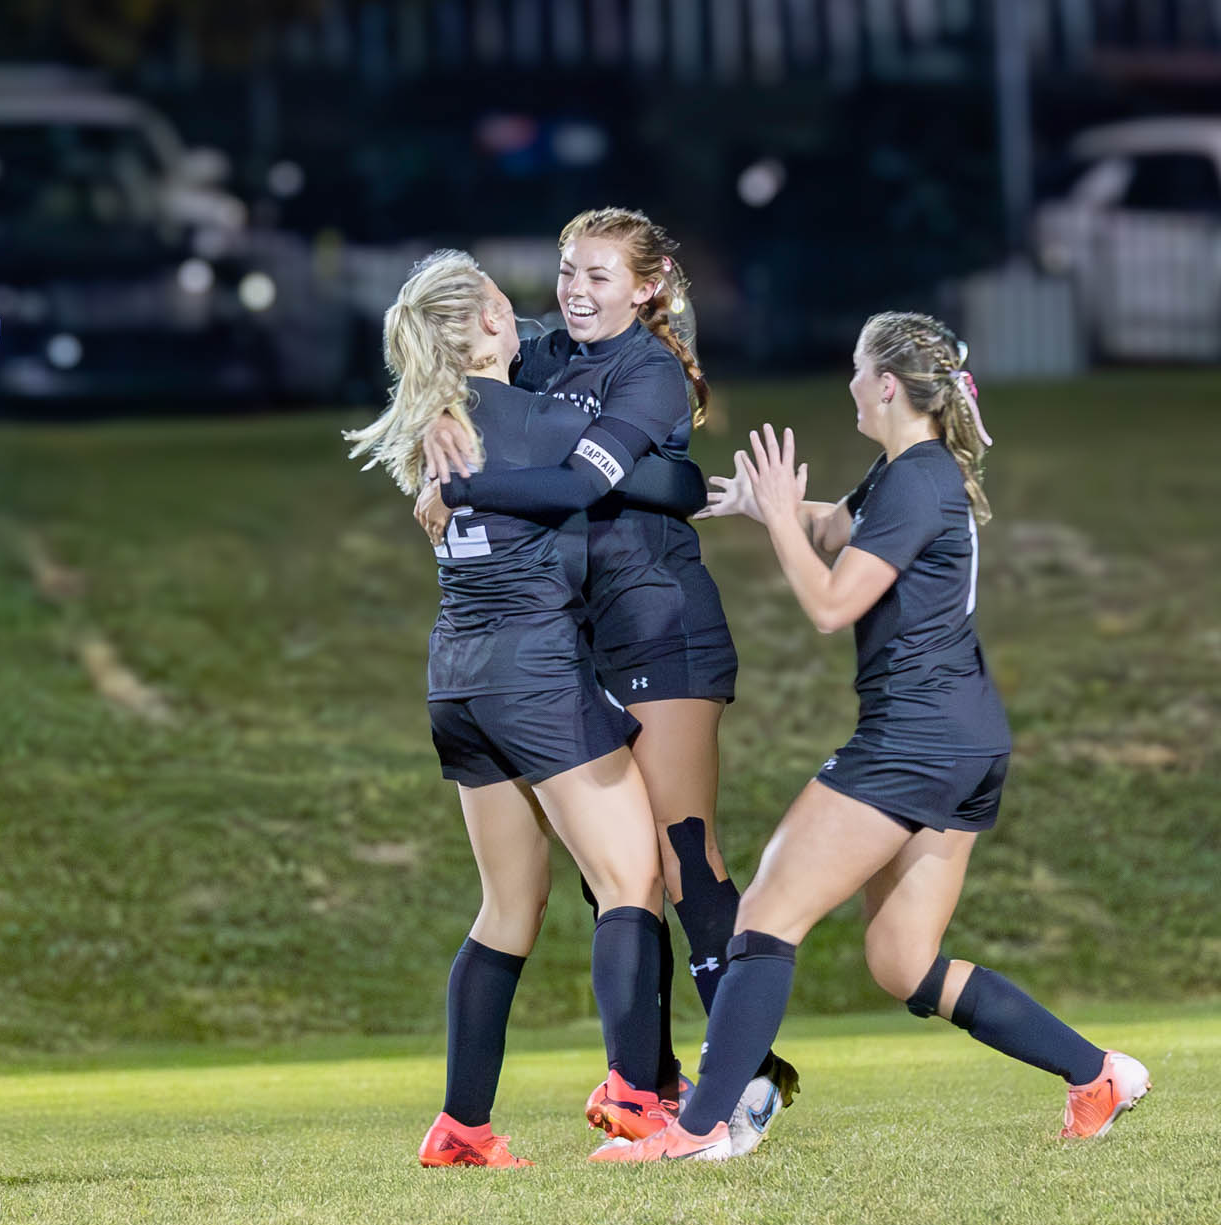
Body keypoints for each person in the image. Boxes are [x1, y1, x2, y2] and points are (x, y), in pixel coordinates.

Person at [596, 312, 1150, 1163]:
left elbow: (830, 605)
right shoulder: (908, 475)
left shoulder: (918, 478)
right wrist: (763, 506)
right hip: (964, 741)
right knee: (903, 963)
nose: (849, 384)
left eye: (858, 370)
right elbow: (839, 529)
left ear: (886, 384)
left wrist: (782, 517)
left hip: (915, 740)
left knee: (766, 918)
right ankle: (1098, 1074)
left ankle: (700, 1130)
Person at [415, 208, 797, 1152]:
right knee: (612, 877)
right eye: (566, 272)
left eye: (597, 275)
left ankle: (739, 1074)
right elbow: (475, 374)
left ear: (648, 287)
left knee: (677, 855)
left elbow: (626, 482)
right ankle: (654, 1079)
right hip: (573, 640)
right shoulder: (543, 355)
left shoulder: (649, 368)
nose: (575, 292)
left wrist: (668, 480)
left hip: (659, 628)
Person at [347, 250, 674, 1166]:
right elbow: (624, 481)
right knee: (631, 879)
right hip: (534, 671)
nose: (528, 312)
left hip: (457, 679)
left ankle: (461, 1126)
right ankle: (637, 1096)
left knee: (507, 909)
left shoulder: (432, 427)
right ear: (491, 323)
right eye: (505, 302)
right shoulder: (537, 419)